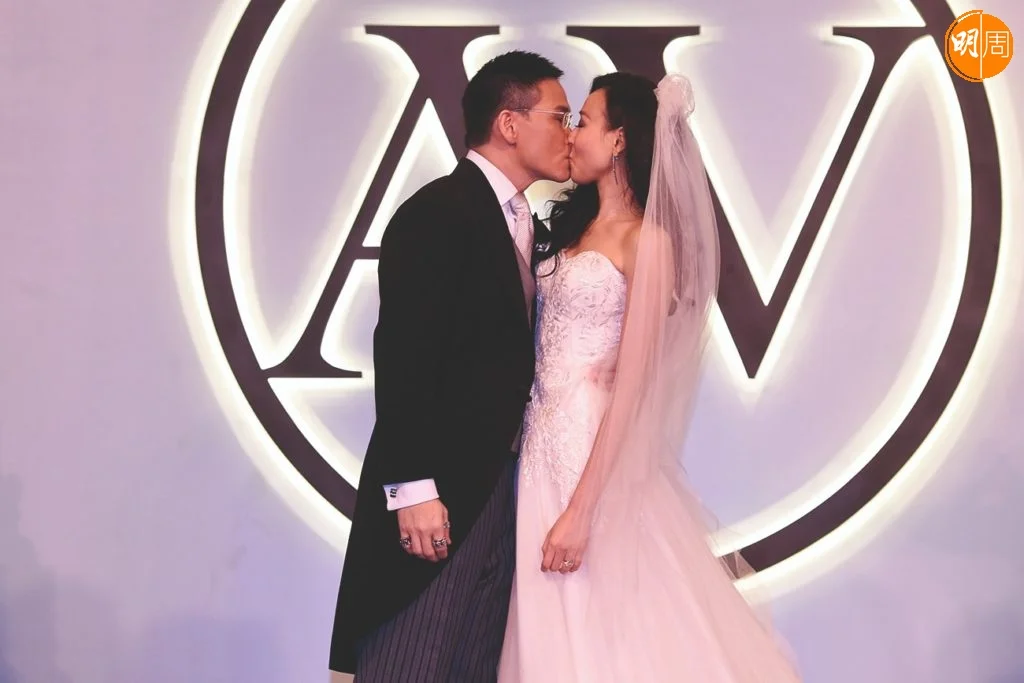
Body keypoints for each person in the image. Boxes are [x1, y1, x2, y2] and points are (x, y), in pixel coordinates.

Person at [497, 72, 803, 682]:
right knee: (547, 625)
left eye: (585, 121)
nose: (572, 134)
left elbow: (633, 386)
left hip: (593, 456)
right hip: (537, 449)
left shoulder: (648, 242)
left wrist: (582, 510)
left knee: (604, 629)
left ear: (618, 140)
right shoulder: (565, 228)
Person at [328, 50, 573, 682]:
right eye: (559, 116)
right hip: (439, 493)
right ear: (510, 123)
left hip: (503, 491)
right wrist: (412, 488)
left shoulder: (526, 222)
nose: (569, 133)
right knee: (411, 660)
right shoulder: (438, 211)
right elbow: (405, 355)